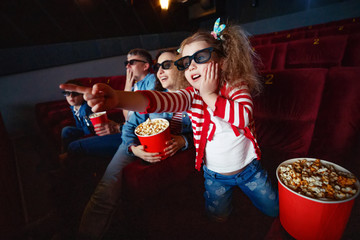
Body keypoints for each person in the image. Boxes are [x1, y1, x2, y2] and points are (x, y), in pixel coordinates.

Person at [60, 17, 279, 228]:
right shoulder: (192, 95)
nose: (191, 66)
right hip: (214, 174)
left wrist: (210, 95)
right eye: (186, 62)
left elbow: (242, 117)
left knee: (273, 209)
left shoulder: (236, 86)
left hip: (249, 170)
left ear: (222, 60)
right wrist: (119, 98)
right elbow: (159, 101)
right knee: (218, 217)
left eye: (200, 57)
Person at [77, 48, 194, 239]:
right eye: (158, 67)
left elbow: (206, 133)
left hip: (171, 152)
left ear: (182, 67)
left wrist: (184, 140)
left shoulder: (194, 99)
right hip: (135, 146)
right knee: (106, 190)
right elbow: (130, 126)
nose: (160, 71)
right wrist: (133, 149)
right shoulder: (154, 96)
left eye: (166, 65)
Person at [65, 48, 156, 159]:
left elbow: (146, 114)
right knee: (67, 132)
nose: (127, 66)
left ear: (145, 66)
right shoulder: (134, 85)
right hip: (128, 130)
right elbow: (128, 117)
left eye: (132, 62)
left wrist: (119, 127)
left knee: (75, 146)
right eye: (126, 63)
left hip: (136, 135)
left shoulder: (152, 80)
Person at [60, 79, 94, 153]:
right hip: (83, 129)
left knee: (75, 144)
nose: (71, 96)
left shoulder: (86, 109)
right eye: (67, 93)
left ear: (83, 95)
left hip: (92, 133)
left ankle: (69, 153)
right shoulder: (74, 106)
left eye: (75, 93)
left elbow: (90, 130)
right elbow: (78, 125)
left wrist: (82, 139)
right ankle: (64, 151)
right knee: (66, 130)